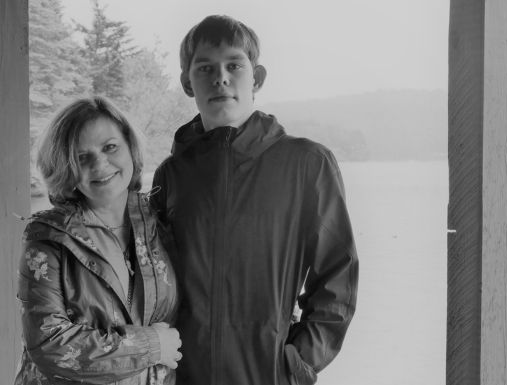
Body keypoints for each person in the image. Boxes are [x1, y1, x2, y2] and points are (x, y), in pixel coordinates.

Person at [151, 15, 359, 385]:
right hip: (185, 376)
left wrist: (298, 362)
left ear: (257, 77)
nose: (221, 78)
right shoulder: (171, 175)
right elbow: (155, 283)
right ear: (187, 83)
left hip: (268, 374)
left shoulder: (307, 163)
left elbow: (337, 275)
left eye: (234, 65)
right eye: (205, 68)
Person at [15, 97, 182, 385]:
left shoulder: (158, 223)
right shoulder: (46, 238)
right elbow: (49, 344)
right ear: (66, 167)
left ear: (130, 147)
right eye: (82, 157)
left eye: (110, 147)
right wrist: (150, 346)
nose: (100, 164)